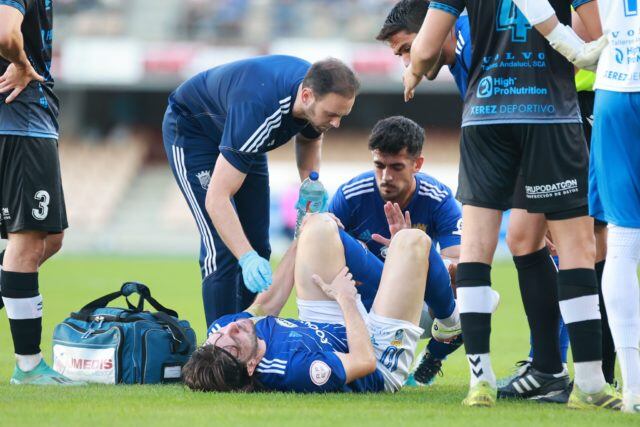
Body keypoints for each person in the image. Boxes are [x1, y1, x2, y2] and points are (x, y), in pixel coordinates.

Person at [404, 0, 621, 409]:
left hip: (486, 114)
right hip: (551, 115)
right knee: (577, 248)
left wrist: (415, 70)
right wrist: (549, 72)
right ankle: (591, 383)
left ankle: (480, 383)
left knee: (476, 251)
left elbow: (426, 46)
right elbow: (593, 36)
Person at [183, 213, 495, 393]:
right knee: (412, 242)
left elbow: (266, 304)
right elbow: (363, 362)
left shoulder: (223, 333)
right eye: (233, 343)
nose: (233, 328)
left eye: (219, 335)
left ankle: (408, 286)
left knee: (318, 226)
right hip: (378, 354)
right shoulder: (297, 371)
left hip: (329, 324)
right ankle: (452, 322)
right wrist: (346, 299)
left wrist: (300, 237)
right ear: (251, 365)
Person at [162, 55, 359, 326]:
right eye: (332, 114)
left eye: (342, 115)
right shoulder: (258, 110)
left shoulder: (313, 94)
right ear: (307, 96)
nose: (336, 123)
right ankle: (219, 351)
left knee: (259, 245)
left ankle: (245, 337)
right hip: (195, 132)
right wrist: (245, 257)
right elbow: (217, 199)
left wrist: (309, 184)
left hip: (244, 138)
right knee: (223, 250)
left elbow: (310, 138)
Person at [513, 0, 640, 414]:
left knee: (606, 240)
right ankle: (582, 371)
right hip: (586, 98)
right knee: (583, 239)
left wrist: (571, 45)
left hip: (601, 94)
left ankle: (616, 381)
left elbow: (586, 27)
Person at [329, 115, 463, 386]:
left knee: (477, 298)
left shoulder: (438, 199)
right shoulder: (352, 194)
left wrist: (408, 253)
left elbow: (459, 262)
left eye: (397, 167)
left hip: (412, 303)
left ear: (417, 165)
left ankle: (434, 357)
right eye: (379, 165)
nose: (386, 176)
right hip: (360, 303)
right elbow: (322, 246)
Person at [0, 0, 75, 384]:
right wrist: (21, 63)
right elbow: (4, 31)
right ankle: (28, 365)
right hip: (20, 122)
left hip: (25, 122)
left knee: (51, 237)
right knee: (27, 245)